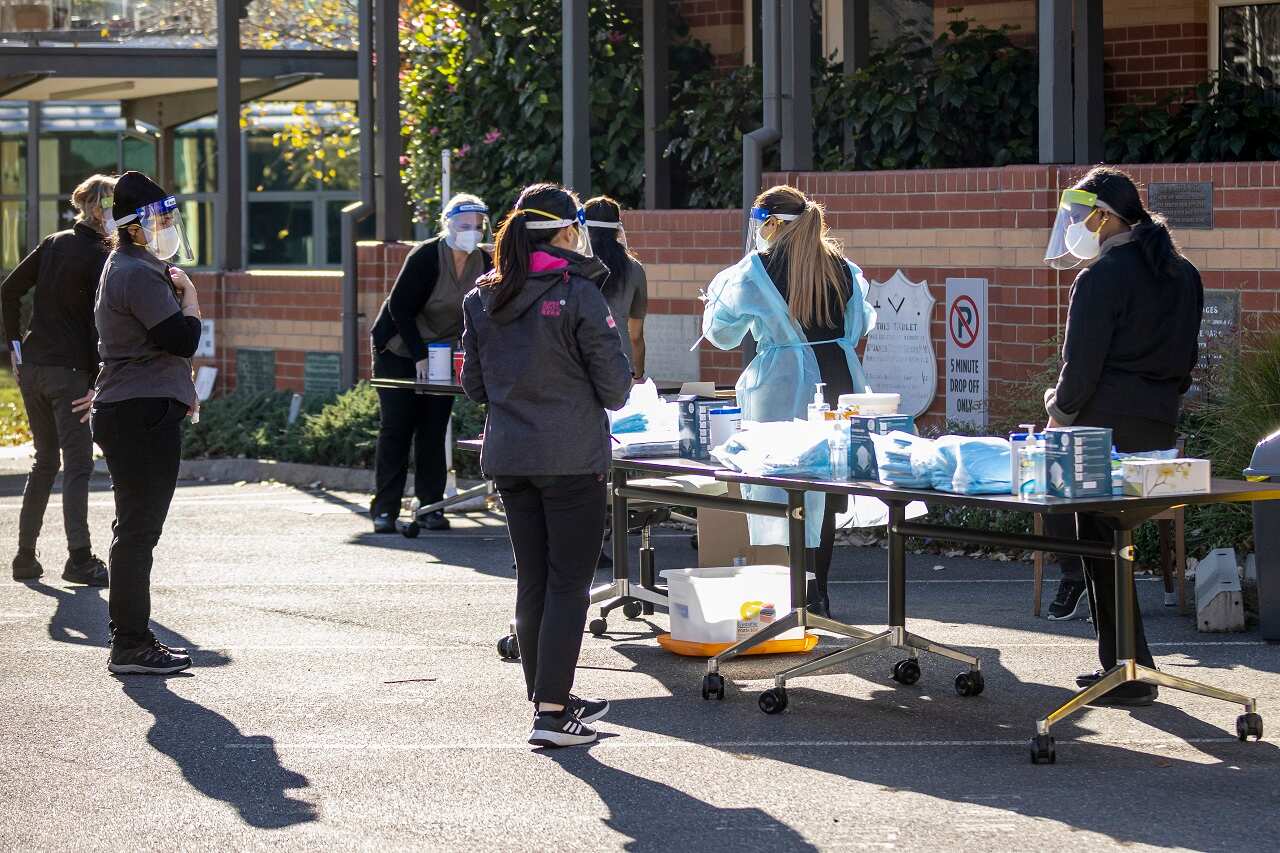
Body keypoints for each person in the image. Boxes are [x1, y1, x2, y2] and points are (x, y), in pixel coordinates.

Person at [461, 183, 631, 748]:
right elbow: (614, 389)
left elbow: (475, 386)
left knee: (533, 580)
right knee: (567, 585)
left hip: (511, 454)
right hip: (571, 457)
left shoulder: (482, 296)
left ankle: (548, 698)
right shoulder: (578, 291)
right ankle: (554, 713)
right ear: (563, 232)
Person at [1041, 165, 1203, 706]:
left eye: (1080, 214)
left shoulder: (1100, 277)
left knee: (1099, 545)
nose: (1074, 226)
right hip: (1158, 423)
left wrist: (1056, 414)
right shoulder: (1183, 273)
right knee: (1119, 543)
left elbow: (1079, 369)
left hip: (1099, 428)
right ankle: (1128, 663)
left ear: (1103, 216)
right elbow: (1187, 364)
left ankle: (1125, 669)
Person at [701, 185, 876, 619]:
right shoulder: (843, 268)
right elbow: (858, 329)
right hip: (839, 378)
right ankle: (818, 593)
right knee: (827, 488)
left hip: (783, 386)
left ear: (771, 224)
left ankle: (788, 594)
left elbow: (721, 336)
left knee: (781, 486)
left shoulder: (754, 270)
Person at [80, 170, 203, 675]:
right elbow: (179, 338)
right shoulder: (134, 270)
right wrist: (191, 300)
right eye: (161, 219)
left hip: (138, 407)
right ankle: (129, 643)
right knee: (137, 531)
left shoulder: (134, 265)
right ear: (133, 226)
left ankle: (132, 636)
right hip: (138, 412)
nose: (169, 226)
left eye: (172, 218)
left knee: (134, 528)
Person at [2, 174, 116, 585]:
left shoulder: (54, 243)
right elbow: (98, 325)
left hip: (32, 367)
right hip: (70, 375)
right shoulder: (105, 255)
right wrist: (98, 379)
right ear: (104, 210)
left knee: (45, 462)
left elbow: (8, 291)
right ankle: (79, 558)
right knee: (79, 465)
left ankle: (25, 557)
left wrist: (15, 349)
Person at [368, 194, 493, 534]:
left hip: (443, 351)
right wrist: (418, 355)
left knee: (434, 427)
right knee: (397, 426)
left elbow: (486, 313)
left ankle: (430, 506)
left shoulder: (485, 261)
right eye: (464, 225)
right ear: (448, 224)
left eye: (477, 226)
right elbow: (400, 308)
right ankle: (385, 509)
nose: (471, 232)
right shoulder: (425, 255)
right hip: (398, 348)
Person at [584, 196, 647, 381]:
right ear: (617, 228)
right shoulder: (634, 268)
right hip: (619, 364)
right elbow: (635, 335)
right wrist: (639, 375)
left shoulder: (575, 265)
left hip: (577, 365)